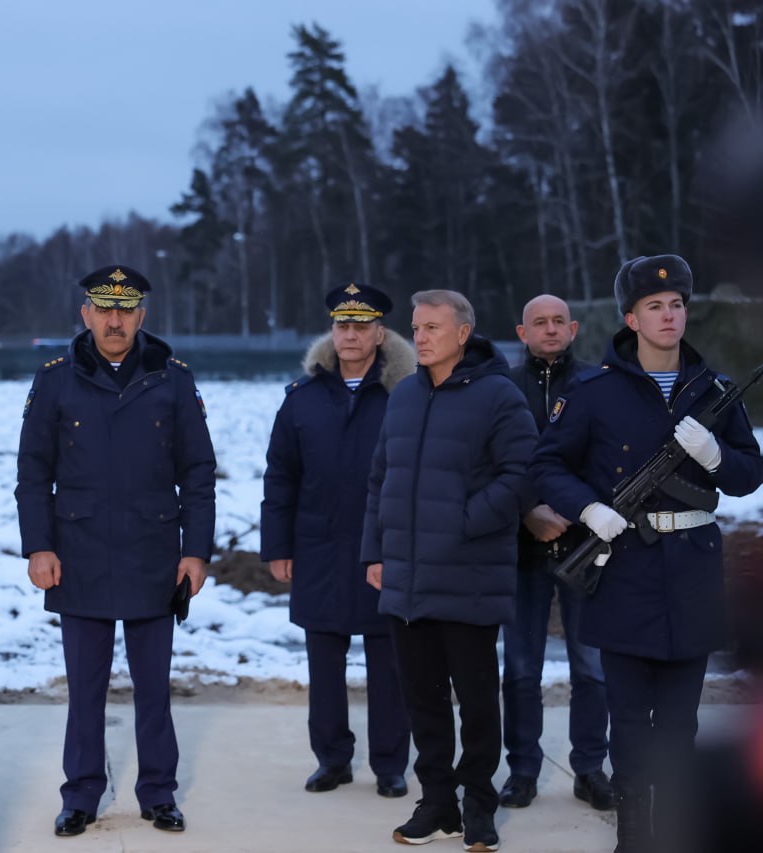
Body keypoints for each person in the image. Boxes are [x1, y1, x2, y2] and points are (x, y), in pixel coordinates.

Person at [530, 255, 763, 853]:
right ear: (630, 318)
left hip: (691, 571)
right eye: (655, 306)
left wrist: (715, 457)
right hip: (625, 567)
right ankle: (634, 835)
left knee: (681, 725)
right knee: (629, 723)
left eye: (677, 304)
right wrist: (588, 510)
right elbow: (548, 464)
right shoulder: (595, 391)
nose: (669, 315)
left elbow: (747, 475)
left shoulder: (712, 391)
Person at [15, 265, 216, 838]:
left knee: (154, 686)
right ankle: (80, 794)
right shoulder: (55, 378)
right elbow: (33, 471)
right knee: (85, 687)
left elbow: (198, 472)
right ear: (85, 314)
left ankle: (159, 792)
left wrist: (195, 551)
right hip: (77, 555)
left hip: (154, 553)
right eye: (104, 308)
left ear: (141, 316)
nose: (114, 319)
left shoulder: (173, 378)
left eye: (126, 309)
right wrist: (38, 546)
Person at [361, 289, 537, 852]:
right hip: (407, 578)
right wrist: (375, 552)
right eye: (416, 327)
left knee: (478, 700)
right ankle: (437, 802)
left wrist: (463, 522)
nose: (421, 336)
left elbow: (521, 474)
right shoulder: (405, 395)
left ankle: (478, 804)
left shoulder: (498, 396)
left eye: (433, 327)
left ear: (463, 333)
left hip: (468, 573)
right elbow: (379, 480)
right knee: (423, 699)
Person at [260, 283, 414, 798]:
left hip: (384, 549)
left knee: (388, 663)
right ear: (332, 332)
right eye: (342, 325)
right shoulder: (302, 399)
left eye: (361, 325)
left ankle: (390, 764)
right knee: (323, 663)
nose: (350, 334)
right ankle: (332, 759)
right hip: (318, 549)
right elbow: (280, 475)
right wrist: (278, 547)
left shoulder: (405, 395)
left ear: (379, 334)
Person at [498, 294, 614, 811]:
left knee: (591, 667)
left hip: (586, 542)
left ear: (573, 328)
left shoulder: (599, 383)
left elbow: (610, 457)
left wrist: (577, 509)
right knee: (521, 668)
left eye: (557, 322)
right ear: (521, 333)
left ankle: (590, 767)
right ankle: (522, 768)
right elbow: (495, 459)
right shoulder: (501, 388)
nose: (549, 330)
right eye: (537, 323)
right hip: (521, 548)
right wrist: (528, 511)